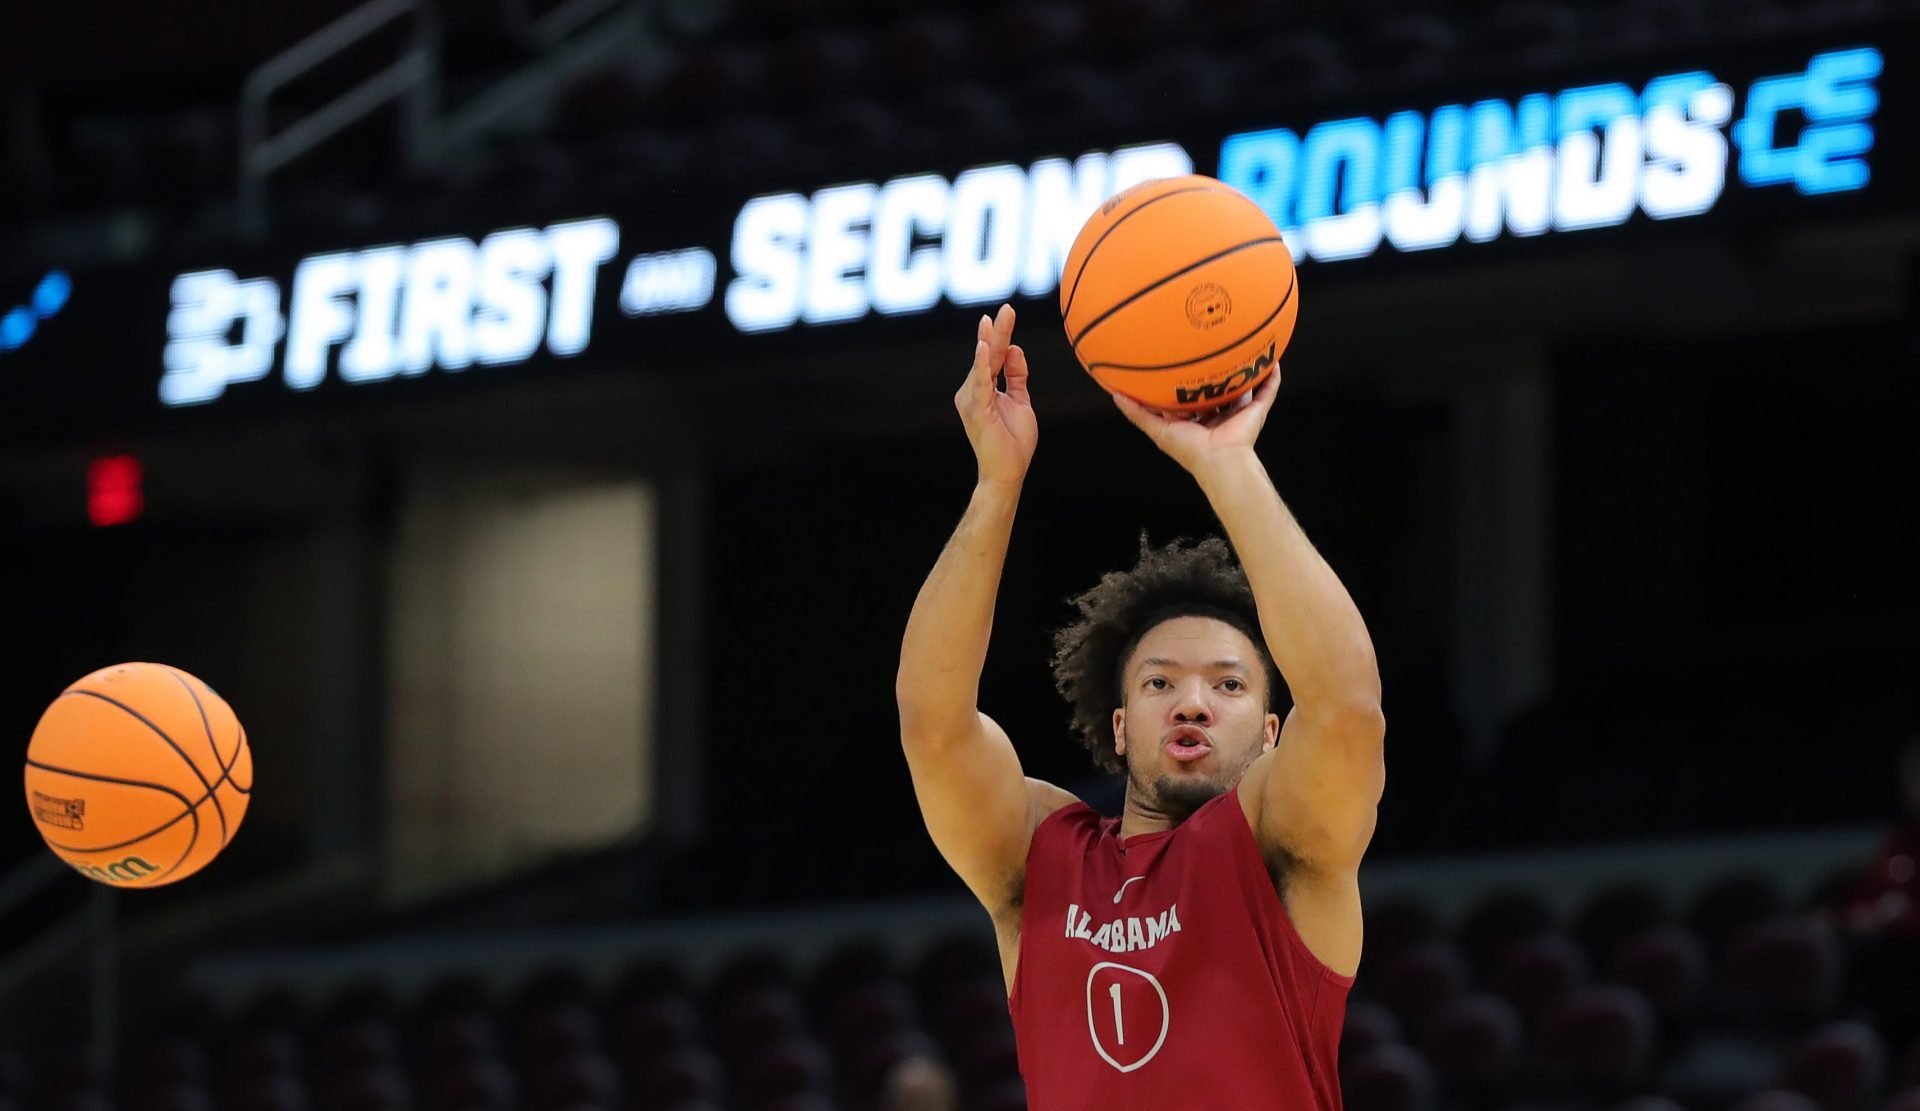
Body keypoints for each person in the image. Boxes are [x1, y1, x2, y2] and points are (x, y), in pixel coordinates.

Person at [896, 304, 1385, 1108]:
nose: (1192, 701)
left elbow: (1348, 710)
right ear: (1119, 727)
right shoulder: (1038, 860)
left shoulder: (1284, 853)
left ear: (1271, 735)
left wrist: (1229, 463)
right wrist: (996, 482)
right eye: (1160, 682)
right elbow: (931, 719)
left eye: (1228, 684)